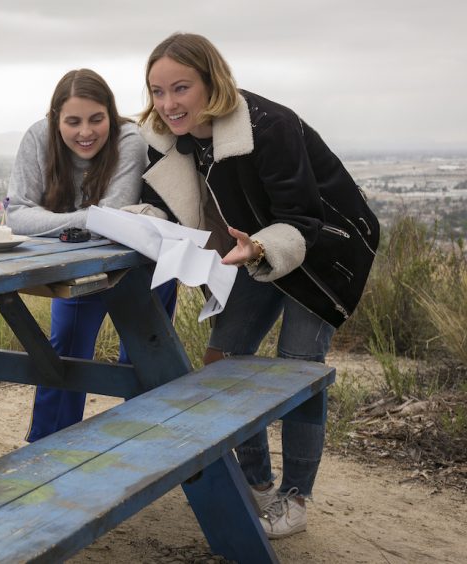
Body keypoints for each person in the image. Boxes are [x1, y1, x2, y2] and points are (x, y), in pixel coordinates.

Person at [128, 33, 378, 538]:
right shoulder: (164, 140)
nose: (168, 104)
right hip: (252, 249)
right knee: (223, 361)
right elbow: (166, 205)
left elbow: (303, 219)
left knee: (295, 371)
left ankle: (295, 499)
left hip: (320, 247)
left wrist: (261, 249)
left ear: (211, 81)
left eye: (181, 88)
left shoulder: (270, 126)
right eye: (157, 91)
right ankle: (257, 483)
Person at [5, 68, 177, 443]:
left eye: (96, 119)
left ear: (111, 115)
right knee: (66, 350)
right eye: (73, 121)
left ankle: (139, 444)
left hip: (140, 264)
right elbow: (16, 214)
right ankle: (48, 449)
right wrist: (86, 219)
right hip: (80, 265)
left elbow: (114, 218)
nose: (86, 132)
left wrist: (61, 222)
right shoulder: (38, 137)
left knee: (145, 355)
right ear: (55, 120)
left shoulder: (129, 139)